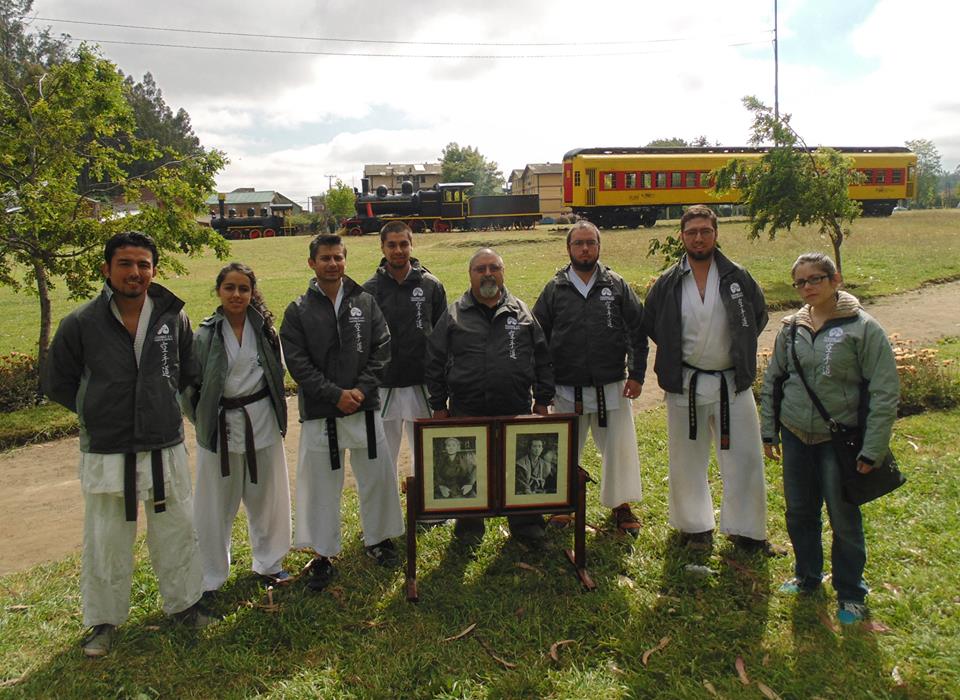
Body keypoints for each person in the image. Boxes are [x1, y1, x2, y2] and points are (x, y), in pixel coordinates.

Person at [43, 231, 211, 658]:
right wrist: (98, 410)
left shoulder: (172, 317)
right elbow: (58, 382)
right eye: (125, 264)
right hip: (108, 446)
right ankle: (103, 621)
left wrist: (155, 405)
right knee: (106, 538)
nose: (135, 272)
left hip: (163, 441)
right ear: (106, 269)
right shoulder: (81, 322)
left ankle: (186, 606)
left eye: (143, 264)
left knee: (176, 529)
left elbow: (187, 372)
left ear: (153, 270)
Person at [760, 253, 899, 624]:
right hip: (795, 434)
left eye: (815, 279)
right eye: (800, 282)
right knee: (799, 512)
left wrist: (873, 448)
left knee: (843, 518)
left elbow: (884, 391)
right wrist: (769, 431)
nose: (807, 287)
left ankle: (851, 593)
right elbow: (774, 379)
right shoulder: (791, 328)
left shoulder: (863, 328)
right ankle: (807, 577)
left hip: (838, 440)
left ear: (835, 279)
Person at [642, 205, 781, 556]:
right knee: (686, 459)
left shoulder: (737, 277)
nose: (699, 238)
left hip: (732, 381)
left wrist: (737, 349)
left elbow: (757, 315)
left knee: (745, 458)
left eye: (705, 231)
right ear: (682, 237)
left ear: (716, 234)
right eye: (692, 232)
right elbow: (654, 323)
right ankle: (695, 528)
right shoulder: (668, 282)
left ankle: (748, 532)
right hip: (685, 382)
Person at [280, 234, 404, 590]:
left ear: (345, 260)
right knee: (320, 485)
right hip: (322, 411)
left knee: (377, 477)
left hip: (364, 406)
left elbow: (382, 348)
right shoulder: (298, 310)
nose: (333, 264)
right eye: (325, 258)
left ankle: (378, 539)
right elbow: (298, 363)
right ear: (312, 263)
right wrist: (334, 395)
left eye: (338, 257)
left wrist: (361, 390)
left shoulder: (364, 302)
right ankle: (322, 552)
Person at [426, 247, 554, 544]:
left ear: (502, 272)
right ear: (470, 274)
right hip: (468, 407)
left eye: (494, 268)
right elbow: (434, 360)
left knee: (517, 465)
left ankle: (527, 526)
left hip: (515, 405)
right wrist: (438, 404)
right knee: (468, 468)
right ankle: (469, 529)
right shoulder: (454, 314)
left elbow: (543, 358)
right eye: (480, 269)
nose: (487, 274)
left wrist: (542, 400)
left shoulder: (521, 313)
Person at [181, 263, 291, 594]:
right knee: (214, 505)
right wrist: (203, 419)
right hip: (220, 426)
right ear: (218, 291)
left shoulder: (266, 331)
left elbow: (278, 374)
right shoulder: (204, 335)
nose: (236, 294)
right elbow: (188, 389)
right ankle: (210, 575)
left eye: (244, 288)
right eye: (229, 287)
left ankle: (270, 563)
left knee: (267, 497)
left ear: (252, 292)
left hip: (262, 420)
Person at [532, 221, 647, 536]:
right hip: (566, 385)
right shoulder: (555, 289)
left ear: (599, 246)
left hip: (611, 383)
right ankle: (561, 503)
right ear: (568, 248)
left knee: (618, 448)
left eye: (590, 243)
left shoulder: (615, 285)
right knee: (563, 449)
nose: (585, 248)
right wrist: (542, 390)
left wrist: (637, 374)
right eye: (578, 243)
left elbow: (637, 331)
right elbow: (538, 339)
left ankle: (621, 504)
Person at [362, 221, 447, 471]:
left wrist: (443, 383)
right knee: (383, 460)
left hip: (423, 382)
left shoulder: (431, 285)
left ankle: (425, 497)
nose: (398, 250)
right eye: (392, 245)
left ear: (412, 245)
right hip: (385, 384)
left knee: (427, 458)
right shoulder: (369, 290)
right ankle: (387, 499)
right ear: (382, 247)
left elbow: (443, 338)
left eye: (403, 244)